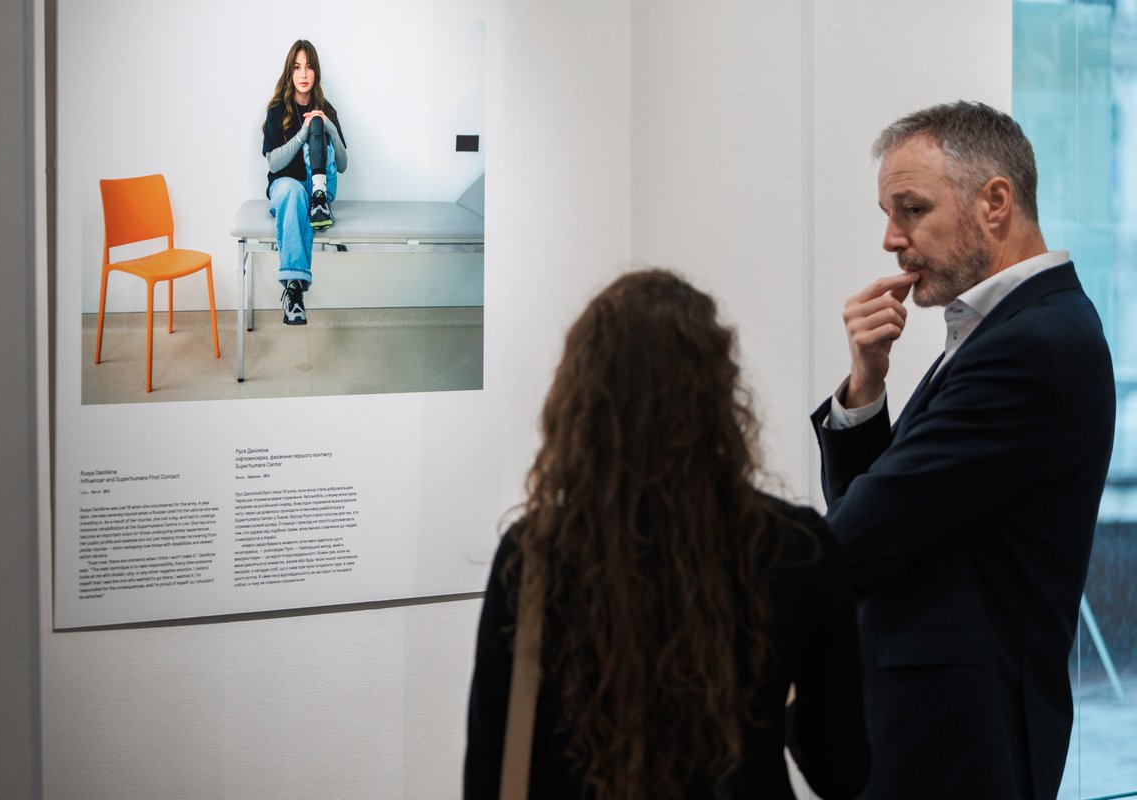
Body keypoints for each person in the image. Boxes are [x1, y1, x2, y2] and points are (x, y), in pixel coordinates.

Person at [466, 270, 870, 799]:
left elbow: (489, 773)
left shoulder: (534, 554)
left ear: (581, 401)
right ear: (722, 397)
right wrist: (780, 683)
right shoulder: (795, 547)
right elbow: (842, 772)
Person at [811, 101, 1116, 799]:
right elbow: (888, 519)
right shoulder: (1007, 330)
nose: (891, 239)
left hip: (959, 750)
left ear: (996, 202)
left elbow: (862, 537)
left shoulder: (1032, 344)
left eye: (911, 209)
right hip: (943, 738)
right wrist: (866, 384)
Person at [262, 39, 348, 325]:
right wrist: (303, 133)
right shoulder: (277, 110)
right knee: (292, 190)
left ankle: (320, 198)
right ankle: (294, 291)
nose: (303, 74)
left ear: (316, 73)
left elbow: (344, 165)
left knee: (319, 125)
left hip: (320, 188)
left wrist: (327, 127)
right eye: (297, 67)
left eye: (309, 67)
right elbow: (273, 163)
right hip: (290, 190)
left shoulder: (326, 109)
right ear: (290, 72)